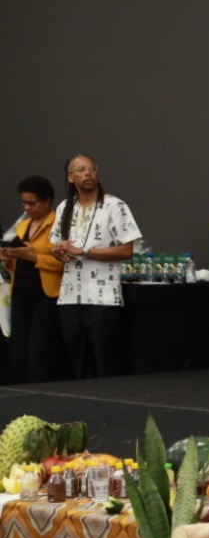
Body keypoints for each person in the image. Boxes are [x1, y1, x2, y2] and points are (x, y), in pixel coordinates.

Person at [50, 154, 141, 378]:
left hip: (103, 298)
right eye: (81, 170)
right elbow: (56, 245)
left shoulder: (114, 206)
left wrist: (84, 251)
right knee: (78, 363)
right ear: (70, 177)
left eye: (92, 169)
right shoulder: (64, 207)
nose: (88, 173)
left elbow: (126, 251)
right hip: (70, 297)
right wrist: (58, 251)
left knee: (106, 362)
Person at [0, 176, 65, 382]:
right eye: (24, 203)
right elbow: (14, 264)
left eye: (32, 203)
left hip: (46, 292)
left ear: (47, 200)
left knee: (40, 347)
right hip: (20, 289)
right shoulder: (22, 226)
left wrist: (34, 257)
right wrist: (10, 258)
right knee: (18, 344)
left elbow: (64, 263)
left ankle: (39, 387)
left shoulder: (58, 225)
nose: (27, 208)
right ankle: (20, 386)